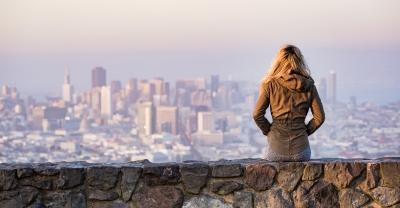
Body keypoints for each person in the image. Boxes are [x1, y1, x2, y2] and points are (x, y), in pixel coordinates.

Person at [253, 44, 325, 162]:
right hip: (301, 151)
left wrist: (269, 131)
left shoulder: (269, 84)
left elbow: (257, 114)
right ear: (300, 61)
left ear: (278, 62)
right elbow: (319, 117)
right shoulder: (309, 86)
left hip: (276, 149)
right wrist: (304, 132)